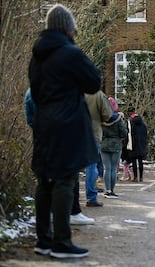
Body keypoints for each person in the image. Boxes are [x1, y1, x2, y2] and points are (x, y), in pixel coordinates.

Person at [28, 4, 100, 258]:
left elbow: (35, 92)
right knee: (64, 179)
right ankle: (62, 242)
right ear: (68, 27)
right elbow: (94, 82)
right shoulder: (71, 53)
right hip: (67, 122)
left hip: (43, 121)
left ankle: (43, 240)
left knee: (44, 179)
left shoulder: (37, 56)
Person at [24, 88, 95, 225]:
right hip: (63, 138)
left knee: (45, 179)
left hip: (42, 139)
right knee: (69, 177)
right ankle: (72, 212)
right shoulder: (60, 89)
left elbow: (30, 119)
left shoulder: (32, 92)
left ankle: (49, 214)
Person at [84, 90, 114, 207]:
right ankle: (91, 197)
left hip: (74, 132)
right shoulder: (97, 94)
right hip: (93, 132)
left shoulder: (73, 90)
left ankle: (72, 199)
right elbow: (108, 114)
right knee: (91, 166)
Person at [101, 97, 127, 198]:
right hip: (116, 144)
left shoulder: (101, 118)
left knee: (107, 169)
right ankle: (112, 190)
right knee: (113, 169)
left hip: (104, 144)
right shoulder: (118, 119)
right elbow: (124, 132)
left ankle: (107, 190)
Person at [127, 113, 148, 182]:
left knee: (134, 163)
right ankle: (141, 177)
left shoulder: (132, 125)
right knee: (140, 162)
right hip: (142, 145)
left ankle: (135, 177)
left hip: (133, 145)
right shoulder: (143, 125)